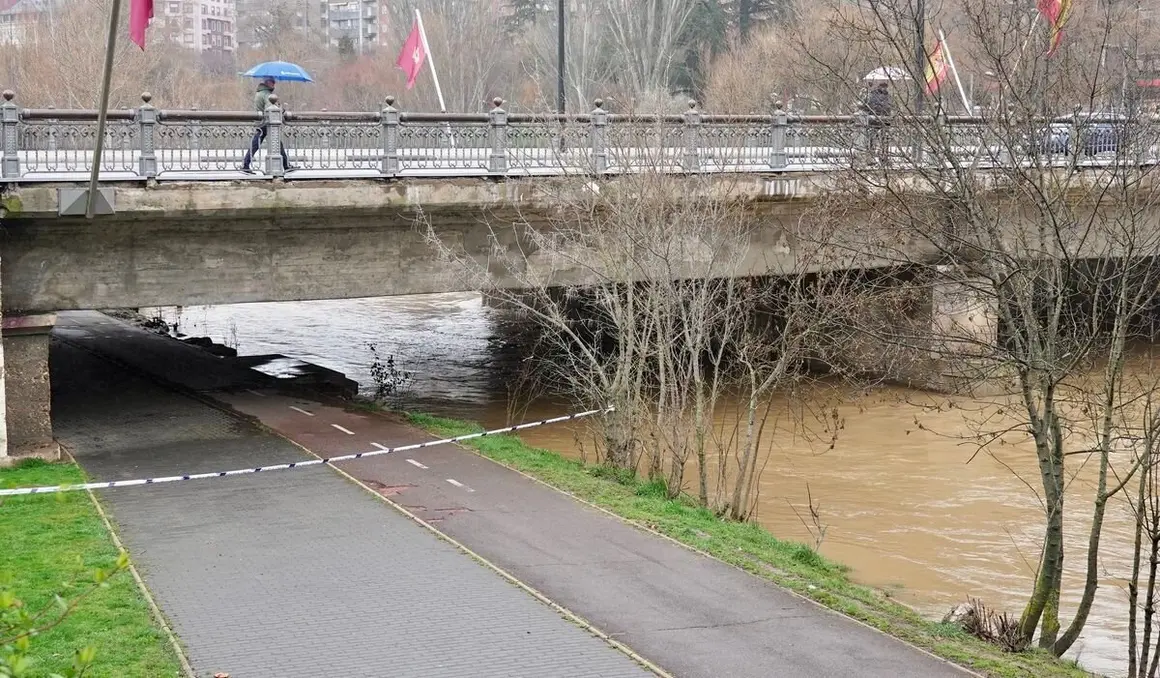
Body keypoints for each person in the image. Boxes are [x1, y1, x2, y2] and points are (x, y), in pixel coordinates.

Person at [241, 78, 294, 172]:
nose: (274, 84)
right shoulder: (267, 94)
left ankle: (245, 164)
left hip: (260, 122)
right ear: (268, 83)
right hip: (268, 123)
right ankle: (286, 166)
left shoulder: (259, 93)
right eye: (272, 82)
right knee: (277, 144)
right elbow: (270, 109)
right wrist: (280, 109)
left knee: (256, 144)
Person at [863, 82, 892, 164]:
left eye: (885, 87)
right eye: (883, 87)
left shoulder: (888, 96)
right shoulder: (873, 95)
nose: (884, 88)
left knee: (884, 140)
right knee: (872, 140)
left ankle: (883, 157)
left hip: (884, 120)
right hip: (874, 120)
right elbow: (871, 106)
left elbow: (889, 106)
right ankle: (870, 158)